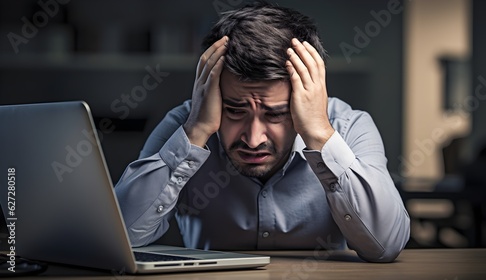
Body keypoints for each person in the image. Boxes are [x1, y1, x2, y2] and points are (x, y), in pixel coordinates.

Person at [114, 2, 410, 263]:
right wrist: (196, 132)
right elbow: (122, 238)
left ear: (307, 96)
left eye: (276, 113)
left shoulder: (349, 127)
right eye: (234, 110)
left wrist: (319, 133)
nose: (253, 139)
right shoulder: (185, 124)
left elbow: (385, 246)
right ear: (211, 92)